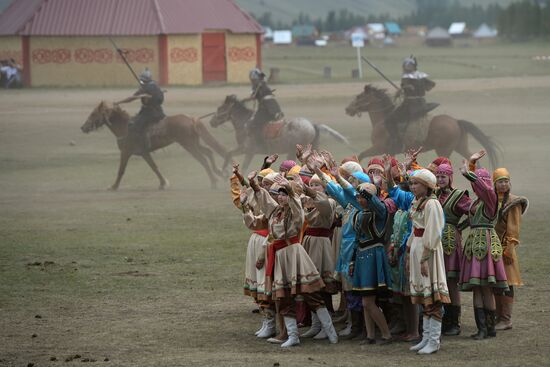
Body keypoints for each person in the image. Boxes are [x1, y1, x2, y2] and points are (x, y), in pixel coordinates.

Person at [248, 171, 337, 348]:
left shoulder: (295, 210)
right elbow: (265, 202)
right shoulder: (275, 212)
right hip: (280, 256)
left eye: (284, 194)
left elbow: (296, 204)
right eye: (279, 194)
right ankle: (293, 336)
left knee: (311, 293)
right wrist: (254, 185)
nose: (281, 198)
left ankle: (330, 331)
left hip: (294, 253)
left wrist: (290, 188)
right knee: (283, 296)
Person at [459, 150, 508, 340]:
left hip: (486, 244)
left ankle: (490, 328)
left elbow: (485, 189)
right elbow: (470, 218)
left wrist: (469, 171)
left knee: (486, 287)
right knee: (477, 287)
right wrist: (471, 167)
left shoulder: (491, 198)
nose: (479, 185)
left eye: (482, 181)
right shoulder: (476, 202)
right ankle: (482, 329)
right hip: (473, 245)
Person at [406, 169, 450, 355]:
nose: (413, 187)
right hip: (417, 246)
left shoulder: (432, 204)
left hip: (428, 251)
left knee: (432, 295)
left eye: (417, 183)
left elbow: (432, 232)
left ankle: (434, 340)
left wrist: (424, 258)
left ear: (427, 186)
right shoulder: (417, 202)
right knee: (424, 295)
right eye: (412, 183)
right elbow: (414, 229)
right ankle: (426, 337)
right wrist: (409, 253)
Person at [435, 163, 472, 336]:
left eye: (443, 176)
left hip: (450, 241)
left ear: (450, 177)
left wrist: (459, 227)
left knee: (451, 282)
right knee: (438, 281)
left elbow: (474, 212)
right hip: (435, 241)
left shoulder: (459, 195)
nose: (440, 179)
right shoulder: (433, 194)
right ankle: (440, 319)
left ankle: (454, 322)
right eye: (438, 176)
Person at [493, 168, 529, 331]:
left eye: (506, 181)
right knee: (495, 283)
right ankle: (497, 316)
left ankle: (506, 319)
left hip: (506, 248)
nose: (504, 184)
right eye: (500, 181)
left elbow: (513, 229)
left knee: (506, 283)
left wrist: (508, 248)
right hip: (492, 249)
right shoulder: (491, 199)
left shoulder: (513, 202)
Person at [384, 56, 438, 153]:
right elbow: (431, 84)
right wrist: (420, 89)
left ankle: (396, 141)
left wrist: (404, 89)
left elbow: (406, 86)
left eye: (407, 65)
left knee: (389, 120)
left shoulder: (406, 77)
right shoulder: (421, 75)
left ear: (412, 66)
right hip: (422, 103)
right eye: (405, 65)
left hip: (411, 105)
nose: (406, 67)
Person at [114, 68, 165, 154]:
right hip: (159, 111)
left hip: (150, 113)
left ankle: (144, 146)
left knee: (135, 127)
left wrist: (118, 102)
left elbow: (131, 98)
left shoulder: (145, 88)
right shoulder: (155, 85)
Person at [245, 68, 283, 146]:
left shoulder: (257, 86)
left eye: (252, 80)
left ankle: (260, 144)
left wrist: (243, 100)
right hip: (275, 107)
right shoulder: (263, 84)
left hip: (265, 108)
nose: (252, 81)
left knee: (254, 123)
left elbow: (252, 97)